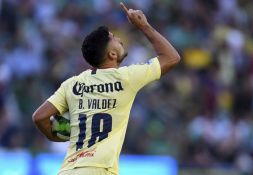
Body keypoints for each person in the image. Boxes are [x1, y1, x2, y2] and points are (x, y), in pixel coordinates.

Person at [32, 2, 180, 175]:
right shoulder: (126, 78)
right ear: (112, 54)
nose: (120, 39)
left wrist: (59, 135)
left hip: (67, 170)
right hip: (100, 170)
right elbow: (171, 57)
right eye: (114, 39)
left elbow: (40, 117)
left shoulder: (72, 84)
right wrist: (143, 26)